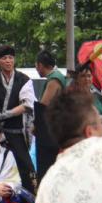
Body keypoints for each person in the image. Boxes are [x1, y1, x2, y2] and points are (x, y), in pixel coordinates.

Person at [0, 45, 36, 194]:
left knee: (24, 165)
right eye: (4, 58)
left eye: (11, 57)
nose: (8, 61)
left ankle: (26, 201)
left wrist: (5, 115)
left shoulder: (23, 79)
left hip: (17, 132)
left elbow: (27, 104)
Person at [33, 50, 67, 183]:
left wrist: (36, 124)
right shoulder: (56, 76)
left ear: (40, 65)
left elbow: (44, 104)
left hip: (50, 132)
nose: (37, 68)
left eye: (36, 65)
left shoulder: (54, 79)